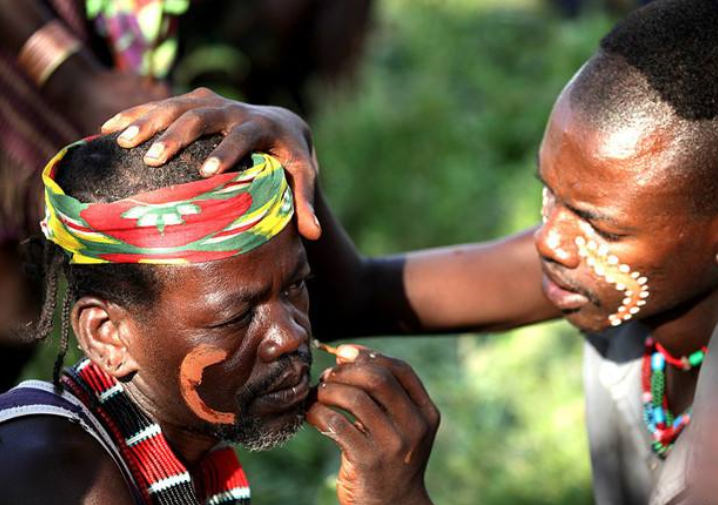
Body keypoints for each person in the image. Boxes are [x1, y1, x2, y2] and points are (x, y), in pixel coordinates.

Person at [100, 0, 718, 503]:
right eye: (550, 194)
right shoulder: (593, 271)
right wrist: (292, 148)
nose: (550, 239)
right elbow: (359, 298)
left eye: (599, 226)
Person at [0, 133, 438, 505]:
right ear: (107, 335)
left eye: (294, 286)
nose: (289, 335)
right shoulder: (55, 472)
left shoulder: (177, 454)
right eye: (236, 315)